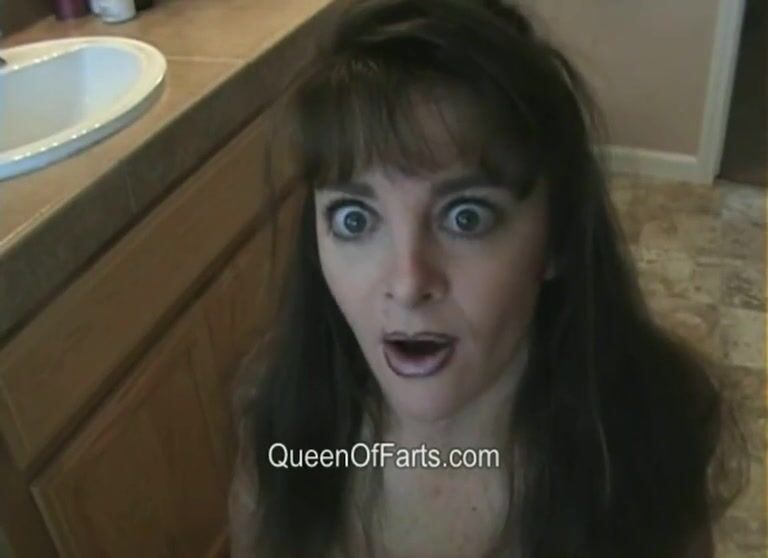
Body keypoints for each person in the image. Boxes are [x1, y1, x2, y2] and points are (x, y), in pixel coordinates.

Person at [228, 1, 746, 556]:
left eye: (466, 217)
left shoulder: (648, 441)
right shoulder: (283, 421)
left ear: (557, 239)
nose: (408, 283)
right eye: (355, 219)